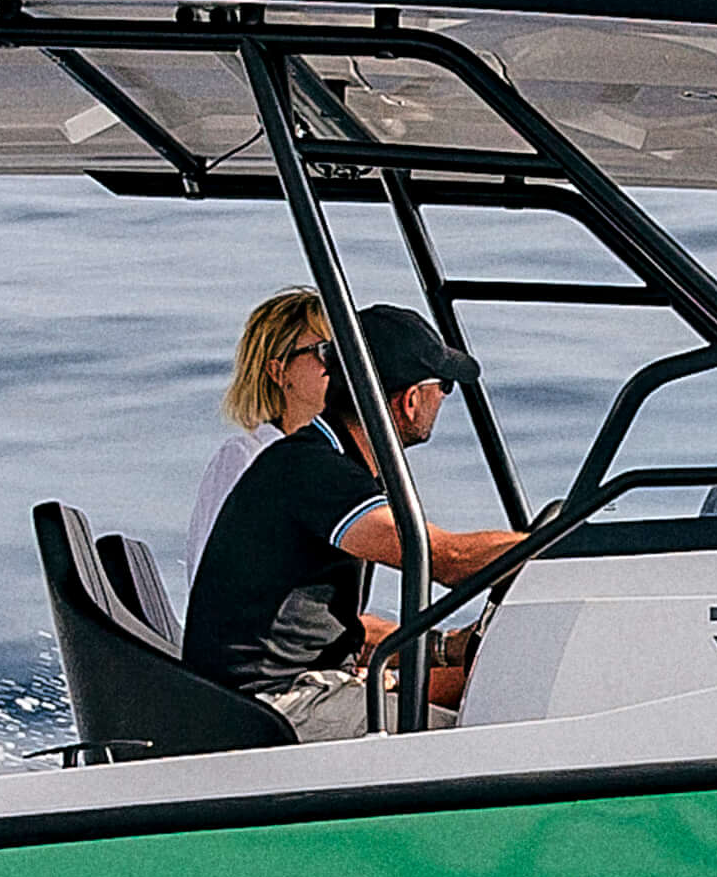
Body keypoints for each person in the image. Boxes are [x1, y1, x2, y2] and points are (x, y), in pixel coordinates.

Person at [173, 304, 521, 734]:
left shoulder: (321, 461)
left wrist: (446, 648)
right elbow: (442, 558)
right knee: (472, 735)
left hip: (285, 693)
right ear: (409, 401)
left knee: (471, 700)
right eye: (443, 385)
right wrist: (561, 545)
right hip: (273, 706)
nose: (445, 396)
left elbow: (331, 629)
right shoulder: (312, 470)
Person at [179, 290, 342, 574]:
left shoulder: (338, 464)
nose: (343, 367)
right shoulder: (245, 458)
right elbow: (211, 583)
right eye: (327, 352)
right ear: (279, 372)